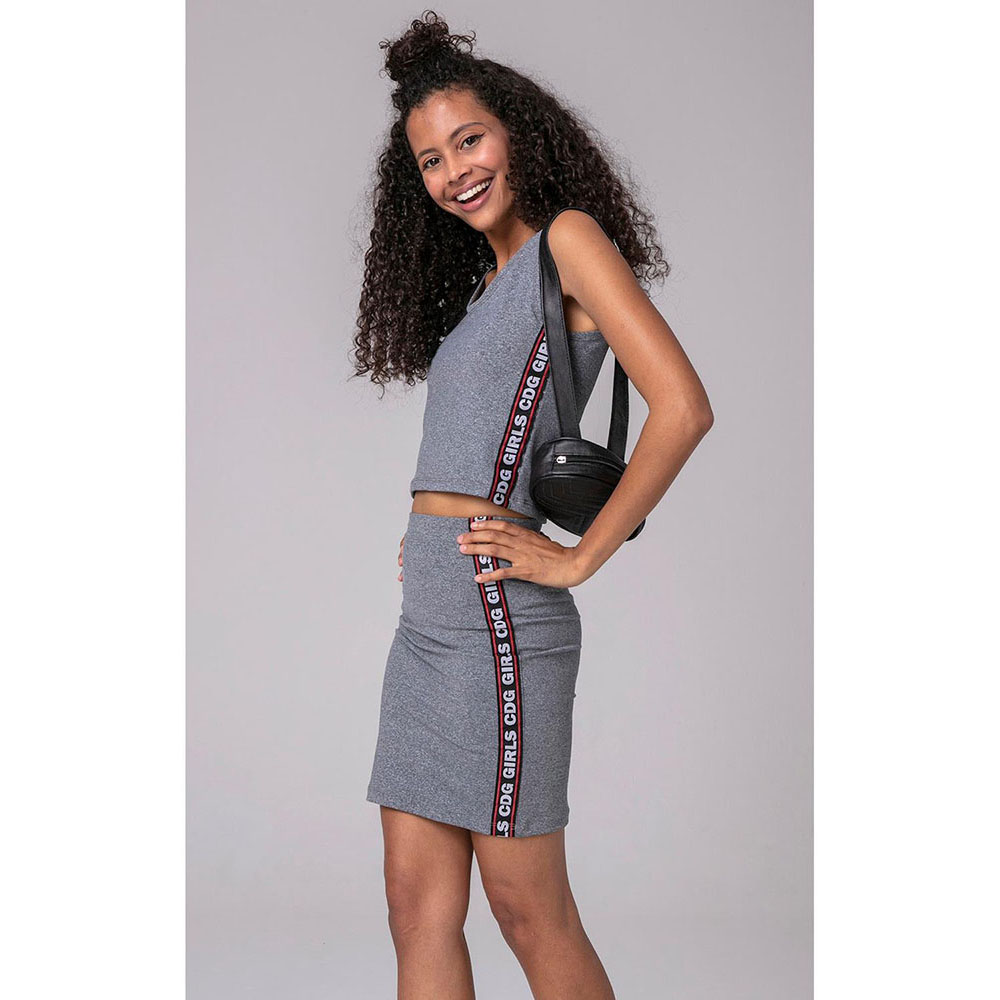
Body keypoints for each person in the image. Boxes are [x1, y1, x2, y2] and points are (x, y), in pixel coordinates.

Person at [352, 12, 714, 999]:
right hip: (429, 621)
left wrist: (578, 557)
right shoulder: (488, 284)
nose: (454, 171)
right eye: (431, 160)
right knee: (413, 906)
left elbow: (683, 406)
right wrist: (429, 534)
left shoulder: (568, 243)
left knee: (526, 909)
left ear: (516, 130)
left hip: (498, 624)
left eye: (469, 139)